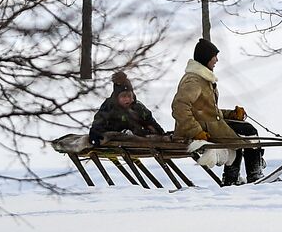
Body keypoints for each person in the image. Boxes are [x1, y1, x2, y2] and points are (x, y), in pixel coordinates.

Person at [171, 38, 264, 185]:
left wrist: (231, 115)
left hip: (208, 125)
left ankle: (232, 178)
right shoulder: (194, 81)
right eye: (214, 56)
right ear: (206, 57)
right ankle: (255, 174)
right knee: (248, 130)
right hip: (200, 129)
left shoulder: (204, 79)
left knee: (238, 134)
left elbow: (207, 110)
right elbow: (179, 106)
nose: (217, 60)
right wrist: (195, 131)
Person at [90, 72, 166, 146]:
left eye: (129, 96)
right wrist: (95, 131)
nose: (127, 100)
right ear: (117, 97)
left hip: (137, 138)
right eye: (123, 96)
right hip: (115, 137)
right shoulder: (109, 106)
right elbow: (99, 120)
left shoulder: (138, 107)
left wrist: (160, 133)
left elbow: (150, 121)